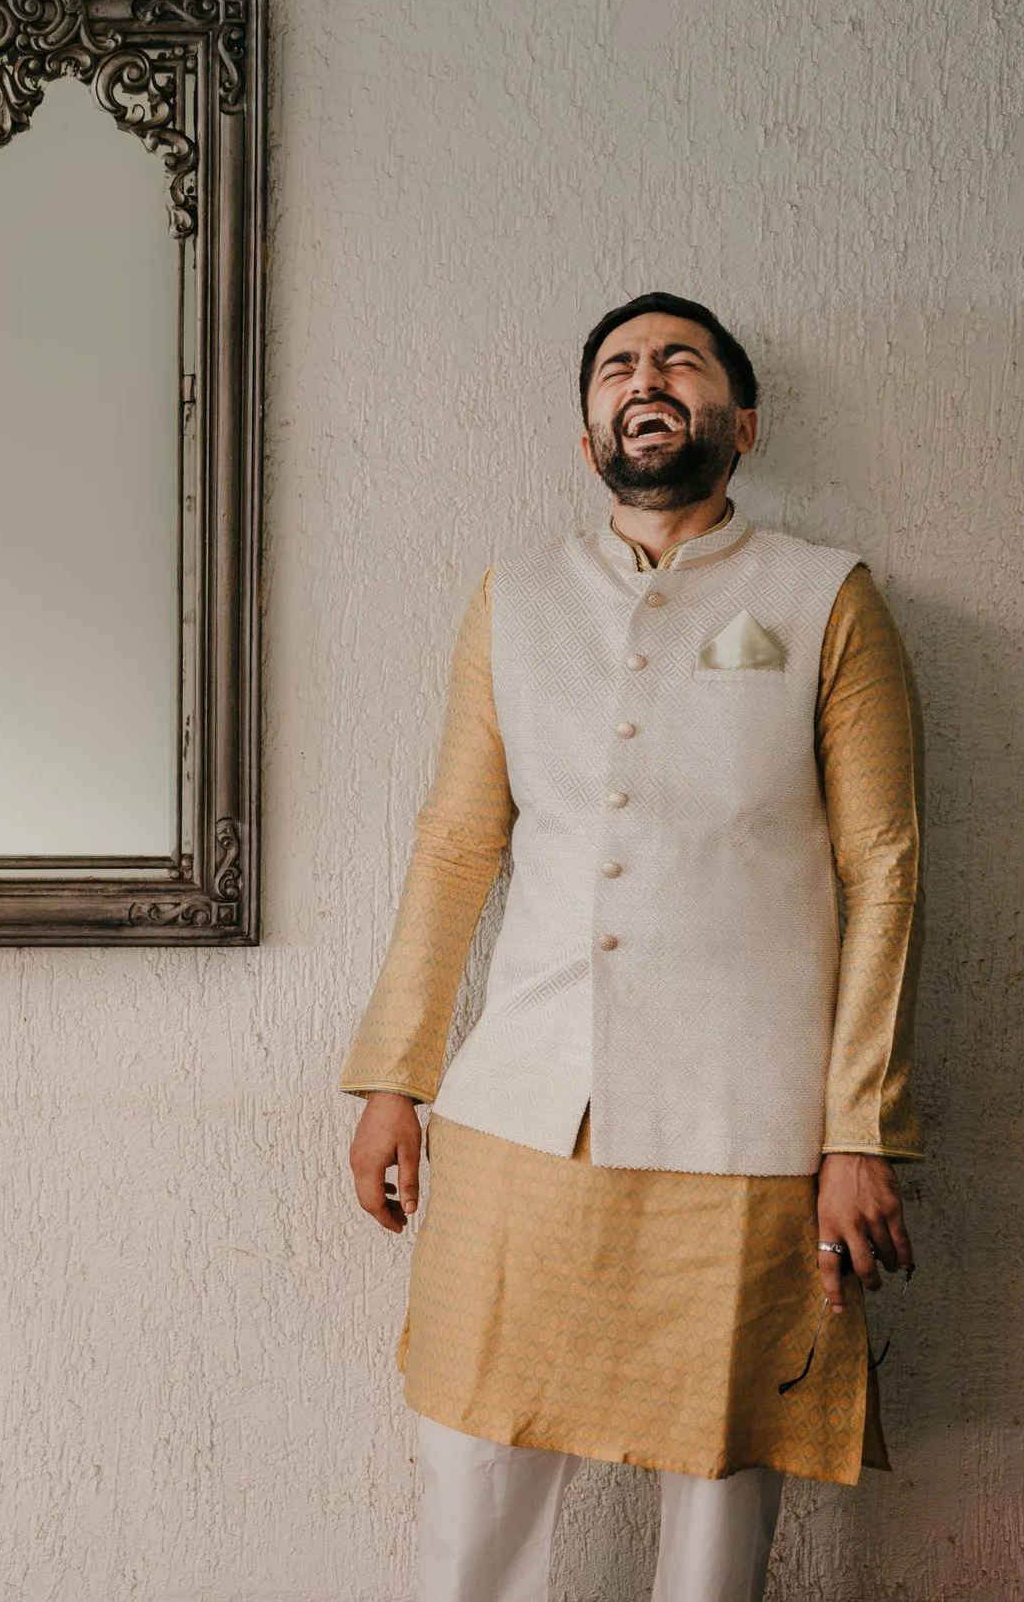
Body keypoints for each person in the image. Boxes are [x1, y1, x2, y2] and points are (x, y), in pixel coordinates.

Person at [342, 294, 924, 1602]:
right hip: (519, 1113)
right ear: (589, 430)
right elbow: (455, 843)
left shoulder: (824, 597)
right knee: (472, 1472)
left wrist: (859, 1131)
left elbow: (884, 868)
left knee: (716, 1500)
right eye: (617, 365)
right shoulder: (516, 599)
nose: (644, 377)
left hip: (745, 1128)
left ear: (742, 422)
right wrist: (393, 1075)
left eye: (679, 359)